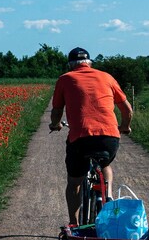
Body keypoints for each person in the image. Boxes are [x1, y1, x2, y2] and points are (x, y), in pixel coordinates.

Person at [49, 47, 133, 226]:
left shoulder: (65, 79)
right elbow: (127, 109)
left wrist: (55, 125)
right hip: (109, 137)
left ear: (71, 65)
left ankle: (73, 223)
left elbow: (56, 111)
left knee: (74, 182)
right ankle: (107, 195)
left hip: (81, 138)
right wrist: (125, 126)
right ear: (90, 63)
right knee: (105, 164)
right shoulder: (106, 77)